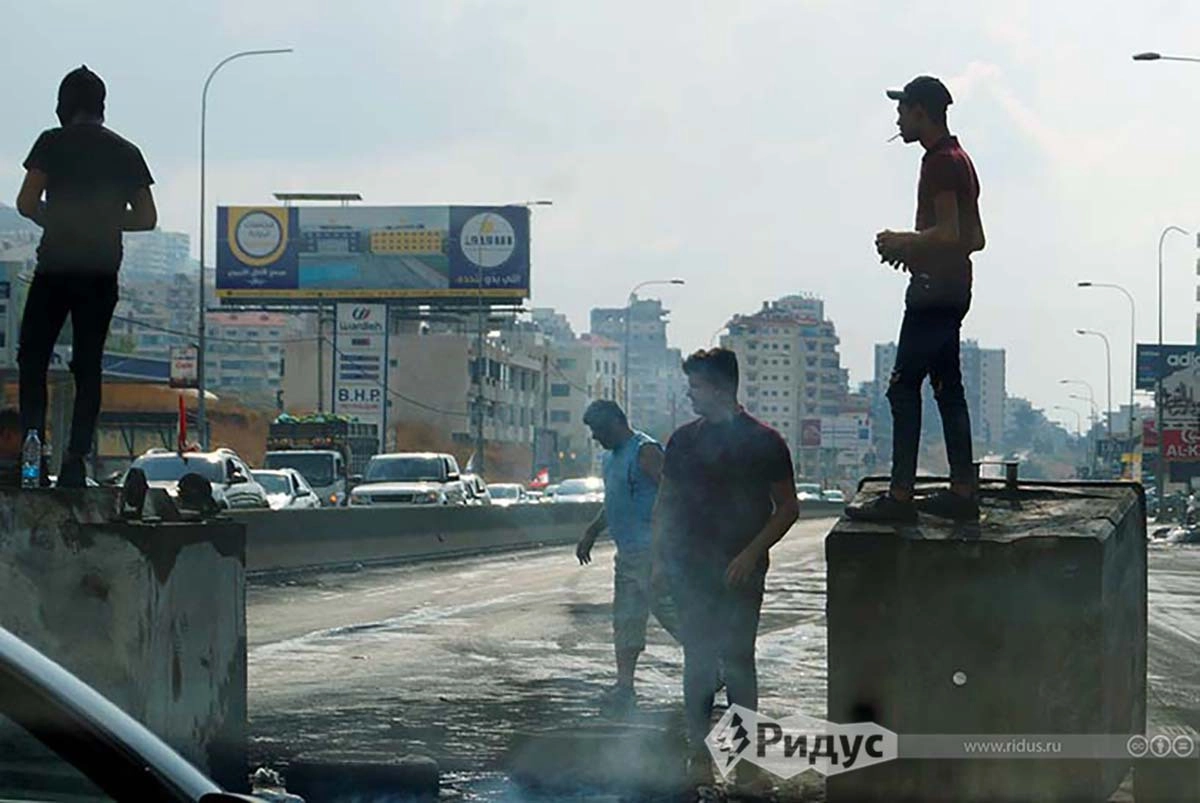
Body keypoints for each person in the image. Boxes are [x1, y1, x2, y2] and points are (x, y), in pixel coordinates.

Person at [651, 348, 799, 790]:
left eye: (696, 386)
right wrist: (659, 559)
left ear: (718, 388)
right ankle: (699, 755)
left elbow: (787, 508)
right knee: (697, 661)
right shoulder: (683, 441)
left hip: (741, 571)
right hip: (690, 569)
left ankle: (746, 760)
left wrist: (751, 553)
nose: (690, 394)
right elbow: (666, 504)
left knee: (738, 662)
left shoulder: (765, 441)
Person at [848, 75, 985, 524]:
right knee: (948, 388)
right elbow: (973, 239)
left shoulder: (940, 163)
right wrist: (917, 251)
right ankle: (962, 491)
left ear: (921, 112)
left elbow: (950, 233)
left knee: (903, 387)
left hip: (933, 293)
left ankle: (900, 497)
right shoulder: (960, 159)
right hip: (953, 288)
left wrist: (904, 242)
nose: (898, 120)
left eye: (902, 111)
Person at [15, 66, 157, 487]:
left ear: (64, 105)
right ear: (102, 106)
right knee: (88, 365)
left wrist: (58, 218)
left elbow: (26, 203)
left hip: (55, 269)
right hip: (100, 274)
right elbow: (147, 218)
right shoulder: (127, 152)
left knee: (33, 358)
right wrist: (105, 221)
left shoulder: (51, 142)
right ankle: (75, 461)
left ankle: (33, 454)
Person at [576, 399, 680, 714]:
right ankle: (625, 687)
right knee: (626, 621)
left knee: (673, 615)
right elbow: (614, 501)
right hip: (627, 555)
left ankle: (714, 668)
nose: (595, 437)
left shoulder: (645, 451)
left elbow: (672, 497)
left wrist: (664, 555)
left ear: (615, 423)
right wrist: (592, 531)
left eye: (598, 430)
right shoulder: (609, 458)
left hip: (654, 551)